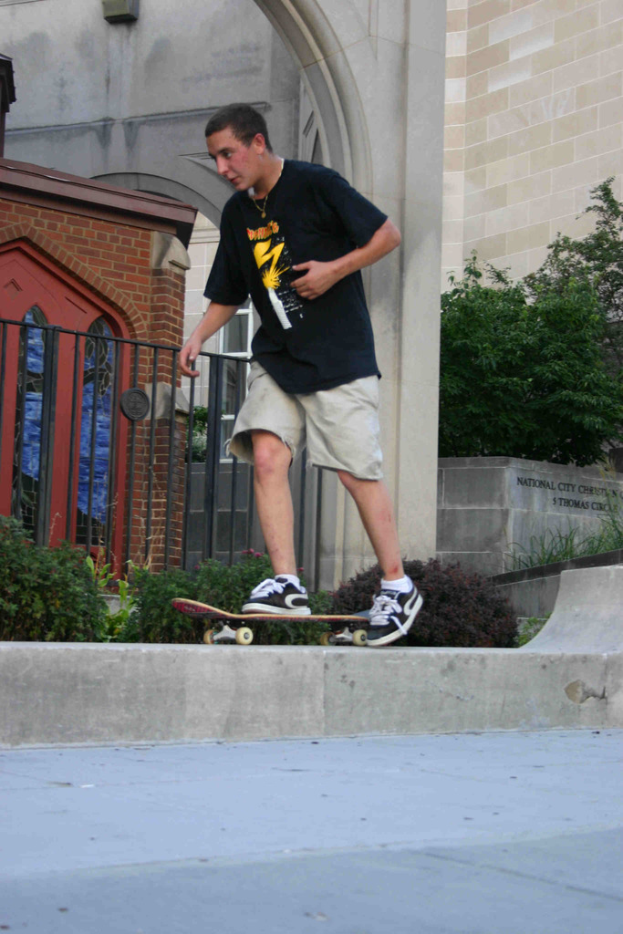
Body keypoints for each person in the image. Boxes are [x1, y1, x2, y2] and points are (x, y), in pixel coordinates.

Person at [179, 103, 423, 647]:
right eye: (215, 157)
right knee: (265, 453)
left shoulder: (316, 184)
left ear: (258, 143)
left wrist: (335, 270)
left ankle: (397, 584)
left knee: (354, 472)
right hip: (278, 356)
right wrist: (197, 335)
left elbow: (387, 234)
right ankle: (287, 581)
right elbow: (228, 290)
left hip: (338, 355)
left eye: (228, 154)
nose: (222, 167)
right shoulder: (237, 214)